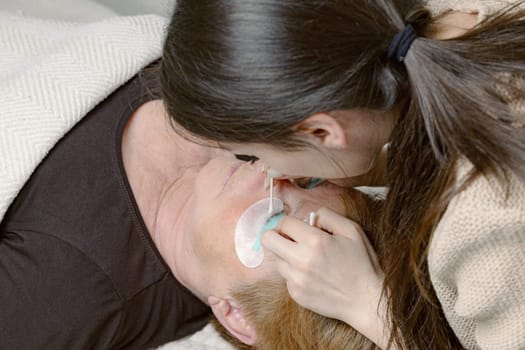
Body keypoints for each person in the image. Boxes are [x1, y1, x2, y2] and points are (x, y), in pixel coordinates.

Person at [159, 0, 525, 349]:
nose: (269, 175)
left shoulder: (485, 225)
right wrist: (384, 167)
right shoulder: (458, 17)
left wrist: (366, 304)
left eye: (255, 154)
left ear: (323, 133)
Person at [0, 61, 381, 349]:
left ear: (236, 315)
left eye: (274, 220)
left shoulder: (61, 301)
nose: (269, 173)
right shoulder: (260, 111)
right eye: (311, 181)